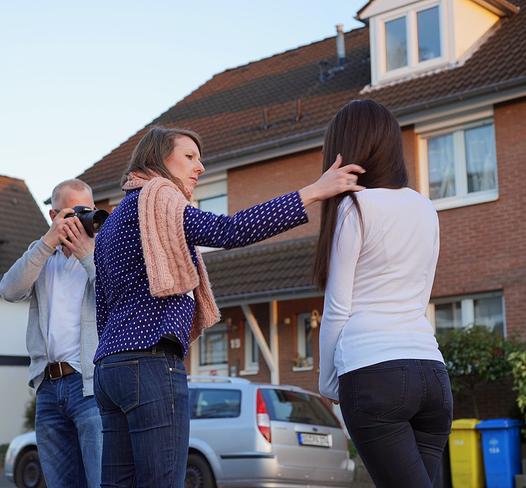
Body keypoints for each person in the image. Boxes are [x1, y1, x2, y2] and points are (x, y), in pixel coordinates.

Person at [93, 125, 364, 487]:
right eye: (189, 156)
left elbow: (102, 306)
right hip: (150, 363)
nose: (200, 167)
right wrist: (314, 191)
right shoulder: (160, 195)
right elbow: (230, 230)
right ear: (157, 160)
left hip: (109, 366)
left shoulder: (112, 222)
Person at [314, 99, 452, 488]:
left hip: (373, 373)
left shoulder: (354, 206)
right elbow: (421, 295)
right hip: (432, 375)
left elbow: (338, 307)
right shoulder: (426, 207)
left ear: (344, 148)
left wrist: (327, 379)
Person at [0, 179, 103, 488]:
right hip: (48, 387)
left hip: (90, 386)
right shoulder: (42, 255)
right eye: (74, 212)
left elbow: (117, 295)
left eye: (89, 210)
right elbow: (9, 289)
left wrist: (87, 254)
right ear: (54, 215)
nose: (83, 219)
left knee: (100, 481)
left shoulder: (104, 252)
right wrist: (46, 243)